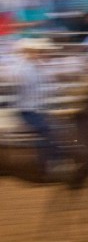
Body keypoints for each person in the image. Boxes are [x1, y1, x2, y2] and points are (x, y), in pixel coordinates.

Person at [10, 38, 71, 178]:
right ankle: (50, 163)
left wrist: (62, 89)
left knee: (60, 128)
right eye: (40, 52)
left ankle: (57, 159)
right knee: (46, 129)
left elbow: (47, 87)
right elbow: (29, 85)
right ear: (30, 53)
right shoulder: (23, 68)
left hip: (38, 109)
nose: (44, 54)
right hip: (27, 110)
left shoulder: (37, 68)